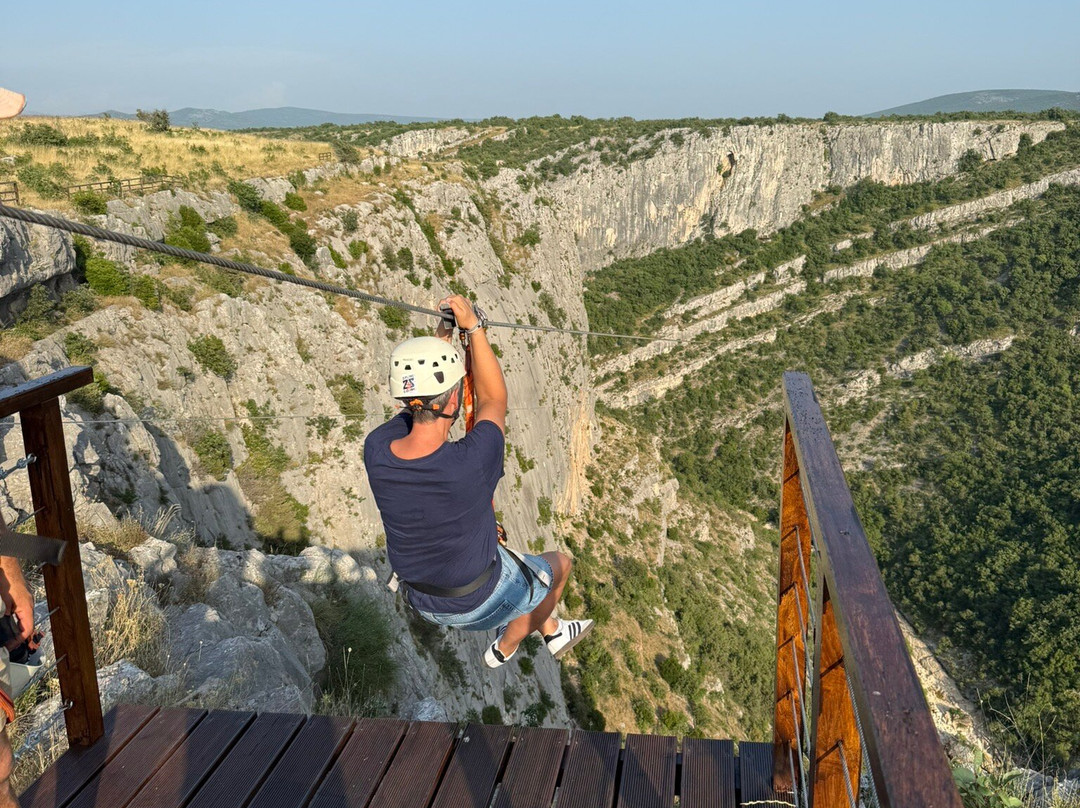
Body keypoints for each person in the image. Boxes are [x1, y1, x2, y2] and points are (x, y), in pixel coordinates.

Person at [364, 294, 592, 668]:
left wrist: (446, 335)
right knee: (560, 565)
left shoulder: (377, 449)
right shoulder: (468, 463)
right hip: (478, 601)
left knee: (512, 559)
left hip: (421, 601)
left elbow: (425, 401)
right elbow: (493, 400)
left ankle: (551, 629)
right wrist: (474, 328)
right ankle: (507, 645)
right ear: (454, 397)